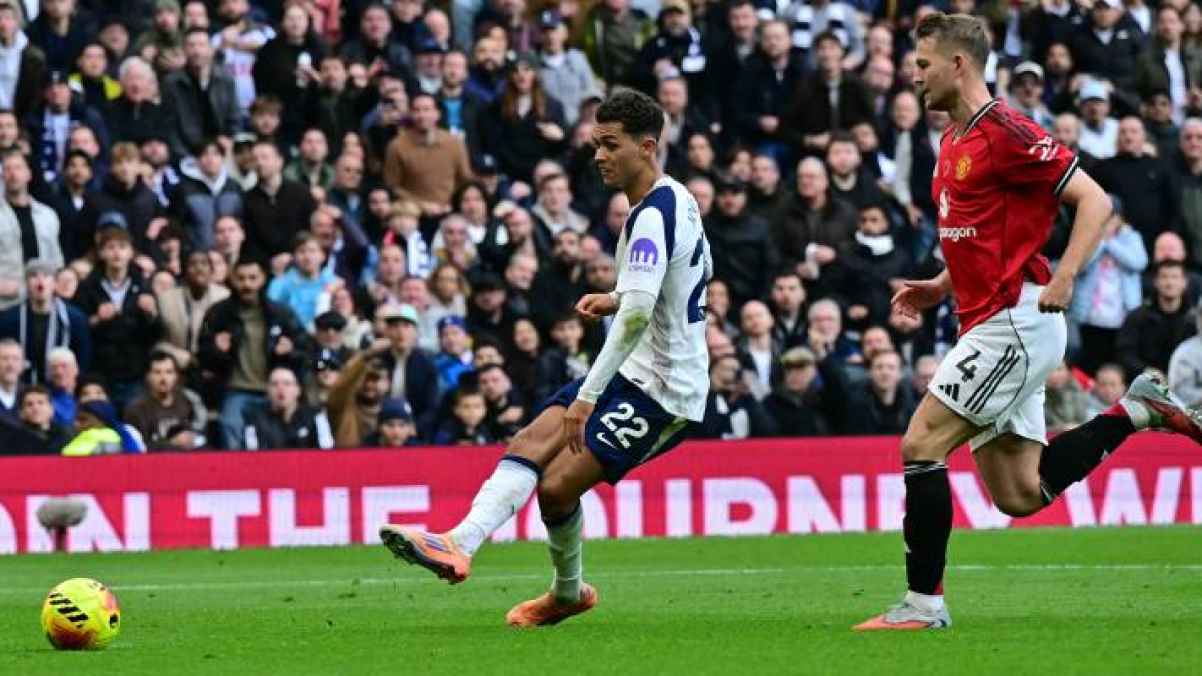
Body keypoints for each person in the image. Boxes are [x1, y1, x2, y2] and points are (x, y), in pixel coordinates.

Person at [855, 13, 1202, 633]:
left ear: (958, 64)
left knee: (920, 445)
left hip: (1017, 319)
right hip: (986, 317)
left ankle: (923, 605)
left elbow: (1095, 200)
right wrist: (941, 283)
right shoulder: (952, 141)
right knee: (1019, 493)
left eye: (923, 64)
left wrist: (1066, 276)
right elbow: (979, 236)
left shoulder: (1008, 131)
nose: (915, 76)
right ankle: (1138, 411)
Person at [379, 90, 711, 627]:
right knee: (530, 442)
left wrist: (587, 396)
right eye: (595, 144)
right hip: (638, 369)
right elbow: (667, 286)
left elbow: (634, 319)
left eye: (610, 144)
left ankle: (566, 593)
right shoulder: (674, 198)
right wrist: (619, 294)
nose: (598, 155)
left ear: (647, 147)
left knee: (556, 489)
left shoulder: (650, 217)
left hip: (666, 391)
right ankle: (459, 542)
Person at [0, 259, 90, 385]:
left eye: (46, 276)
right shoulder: (8, 319)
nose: (40, 281)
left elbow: (82, 358)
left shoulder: (74, 319)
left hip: (60, 386)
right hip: (19, 386)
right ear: (26, 284)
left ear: (55, 283)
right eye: (33, 276)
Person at [123, 351, 206, 449]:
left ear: (176, 376)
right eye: (157, 372)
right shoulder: (136, 409)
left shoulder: (187, 401)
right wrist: (172, 443)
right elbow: (137, 448)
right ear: (148, 376)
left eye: (169, 372)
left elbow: (198, 435)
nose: (163, 378)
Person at [243, 366, 333, 450]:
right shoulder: (254, 418)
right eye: (274, 384)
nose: (281, 388)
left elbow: (327, 452)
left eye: (287, 383)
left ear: (298, 390)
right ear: (267, 391)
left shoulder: (316, 416)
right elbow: (252, 455)